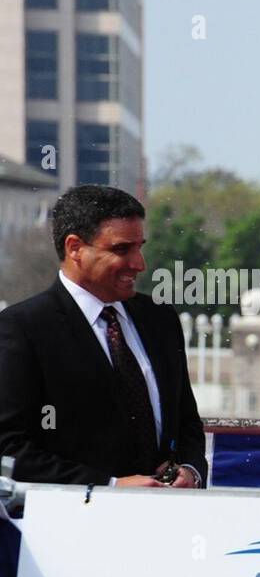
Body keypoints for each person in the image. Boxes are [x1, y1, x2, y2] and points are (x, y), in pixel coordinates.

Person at [0, 185, 207, 488]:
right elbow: (9, 450)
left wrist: (190, 470)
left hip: (167, 518)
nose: (139, 264)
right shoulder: (22, 329)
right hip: (74, 526)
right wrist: (110, 486)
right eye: (122, 250)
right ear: (74, 248)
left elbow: (187, 421)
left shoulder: (160, 319)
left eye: (140, 247)